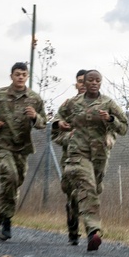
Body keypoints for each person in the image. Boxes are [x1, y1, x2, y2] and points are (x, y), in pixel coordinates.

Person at [59, 70, 128, 251]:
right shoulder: (72, 104)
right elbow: (57, 123)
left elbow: (124, 127)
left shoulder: (108, 103)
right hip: (77, 154)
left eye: (97, 80)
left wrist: (110, 119)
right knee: (88, 187)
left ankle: (74, 224)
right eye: (90, 80)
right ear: (83, 83)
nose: (93, 83)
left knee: (90, 191)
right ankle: (93, 232)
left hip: (99, 156)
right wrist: (63, 129)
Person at [0, 62, 47, 242]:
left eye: (23, 74)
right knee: (9, 176)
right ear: (11, 76)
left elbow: (43, 123)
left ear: (27, 77)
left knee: (15, 183)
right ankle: (7, 221)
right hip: (3, 145)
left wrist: (35, 117)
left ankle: (2, 214)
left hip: (22, 148)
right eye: (17, 74)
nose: (20, 77)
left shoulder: (34, 99)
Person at [52, 69, 87, 244]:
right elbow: (55, 133)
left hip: (92, 159)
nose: (83, 84)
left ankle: (93, 232)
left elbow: (111, 130)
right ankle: (73, 229)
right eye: (80, 81)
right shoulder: (68, 106)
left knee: (89, 193)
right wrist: (69, 136)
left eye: (86, 81)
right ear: (76, 84)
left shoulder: (102, 105)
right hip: (71, 158)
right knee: (73, 195)